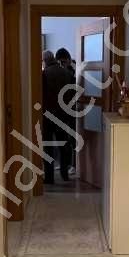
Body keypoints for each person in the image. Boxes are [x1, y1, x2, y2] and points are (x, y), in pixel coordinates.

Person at [41, 48, 75, 183]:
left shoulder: (44, 74)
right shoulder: (67, 73)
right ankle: (64, 174)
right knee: (64, 145)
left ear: (45, 61)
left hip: (48, 115)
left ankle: (49, 177)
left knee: (48, 147)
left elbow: (41, 94)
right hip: (63, 115)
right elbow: (71, 94)